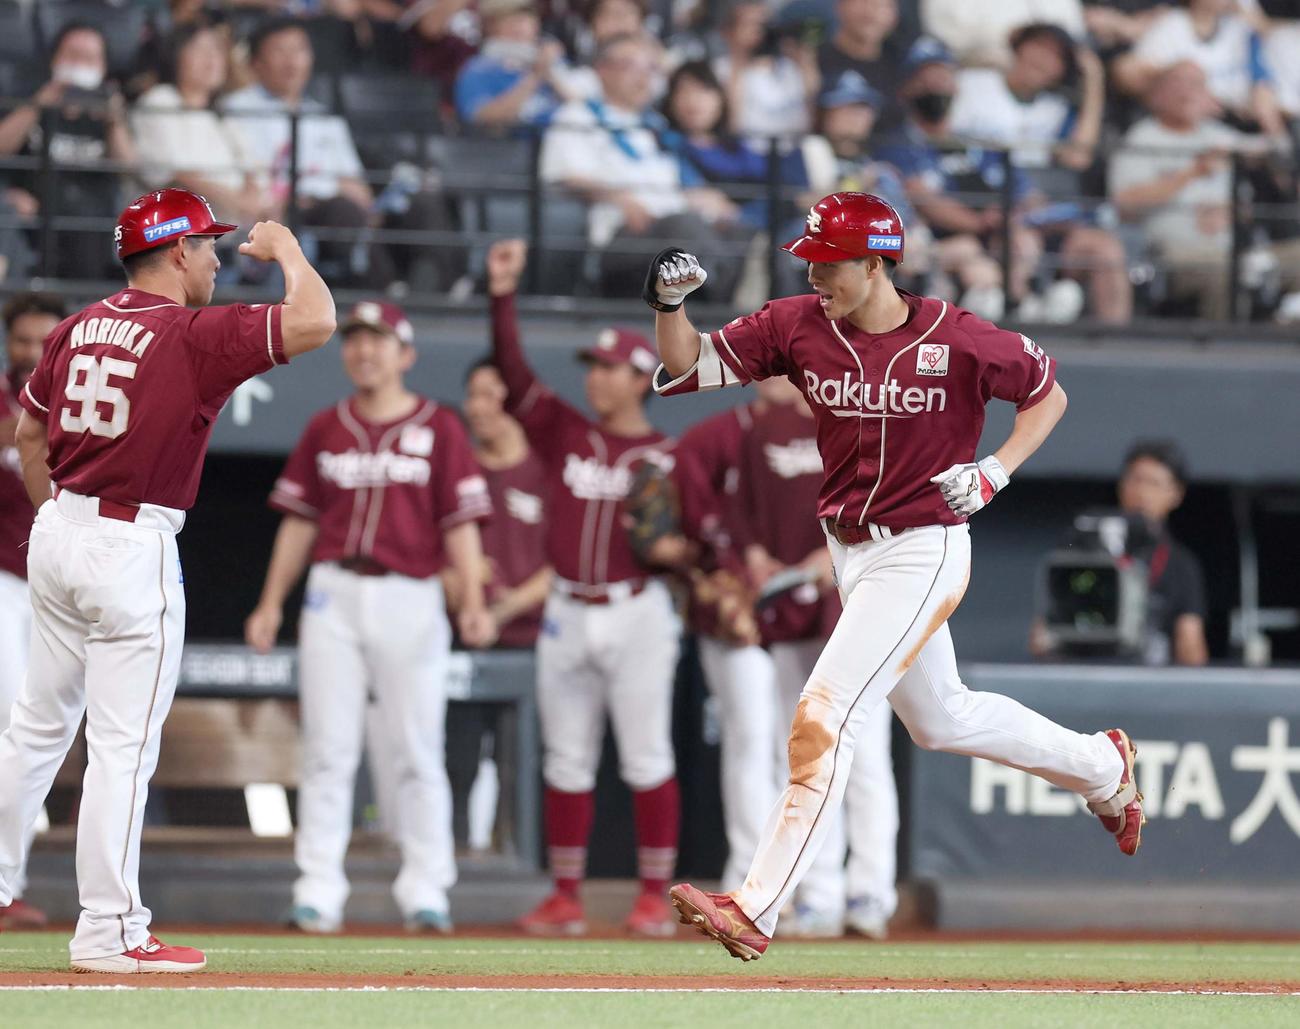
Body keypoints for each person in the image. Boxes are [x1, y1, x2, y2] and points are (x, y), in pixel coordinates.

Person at [647, 191, 1145, 961]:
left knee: (825, 713)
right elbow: (690, 363)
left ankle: (755, 905)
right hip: (851, 549)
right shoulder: (796, 323)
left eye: (829, 263)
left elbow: (1048, 392)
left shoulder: (957, 334)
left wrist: (997, 470)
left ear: (876, 263)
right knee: (943, 718)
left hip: (922, 546)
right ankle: (1102, 765)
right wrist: (668, 307)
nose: (815, 276)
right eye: (809, 261)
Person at [0, 188, 336, 972]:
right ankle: (109, 929)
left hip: (58, 530)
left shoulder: (76, 326)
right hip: (127, 541)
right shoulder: (190, 332)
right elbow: (316, 319)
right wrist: (287, 249)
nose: (216, 259)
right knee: (121, 746)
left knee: (35, 731)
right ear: (178, 252)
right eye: (208, 246)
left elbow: (28, 434)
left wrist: (62, 521)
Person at [244, 300, 495, 935]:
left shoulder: (440, 426)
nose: (364, 350)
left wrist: (471, 600)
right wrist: (271, 601)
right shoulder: (326, 426)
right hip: (334, 591)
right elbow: (299, 523)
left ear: (406, 354)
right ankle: (317, 891)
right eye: (354, 339)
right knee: (328, 749)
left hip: (411, 593)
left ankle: (427, 891)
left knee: (417, 748)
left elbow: (461, 525)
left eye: (377, 340)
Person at [486, 238, 683, 938]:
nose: (596, 378)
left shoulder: (667, 456)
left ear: (640, 378)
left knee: (646, 755)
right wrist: (502, 296)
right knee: (566, 757)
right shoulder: (566, 433)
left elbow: (692, 543)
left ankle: (654, 897)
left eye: (609, 368)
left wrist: (685, 553)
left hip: (637, 610)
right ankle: (565, 895)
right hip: (566, 606)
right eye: (592, 367)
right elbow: (513, 376)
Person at [735, 374, 899, 941]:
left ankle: (870, 892)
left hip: (858, 603)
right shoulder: (758, 431)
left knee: (866, 755)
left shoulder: (864, 416)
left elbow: (888, 507)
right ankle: (820, 894)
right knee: (806, 756)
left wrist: (827, 560)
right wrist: (756, 556)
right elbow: (743, 513)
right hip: (791, 609)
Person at [539, 32, 748, 300]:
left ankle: (732, 300)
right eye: (630, 66)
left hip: (673, 220)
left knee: (740, 230)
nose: (642, 77)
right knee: (685, 228)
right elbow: (564, 176)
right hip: (620, 233)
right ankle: (734, 302)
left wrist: (706, 199)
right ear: (602, 70)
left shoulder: (654, 125)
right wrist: (620, 198)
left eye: (649, 68)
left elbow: (679, 180)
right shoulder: (576, 116)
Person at [1109, 61, 1300, 320]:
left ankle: (1285, 333)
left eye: (1197, 84)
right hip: (1175, 256)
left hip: (1241, 250)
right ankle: (1225, 344)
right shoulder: (1142, 138)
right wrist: (1192, 173)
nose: (1187, 92)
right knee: (1226, 273)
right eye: (1178, 83)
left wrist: (1260, 116)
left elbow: (1276, 153)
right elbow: (1124, 205)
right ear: (1158, 94)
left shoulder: (1218, 135)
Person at [0, 292, 66, 932]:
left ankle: (7, 884)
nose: (31, 353)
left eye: (44, 342)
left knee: (37, 729)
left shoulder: (84, 400)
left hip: (57, 584)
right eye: (22, 340)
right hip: (3, 579)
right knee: (11, 722)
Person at [1030, 440, 1209, 665]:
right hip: (1081, 667)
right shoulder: (1082, 542)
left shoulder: (1181, 564)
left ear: (1176, 494)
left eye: (1154, 483)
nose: (1142, 492)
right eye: (1136, 480)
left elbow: (1190, 644)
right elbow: (1043, 634)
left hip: (1146, 672)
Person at [0, 22, 138, 280]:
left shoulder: (109, 114)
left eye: (89, 58)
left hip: (91, 223)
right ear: (54, 60)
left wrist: (115, 121)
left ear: (103, 68)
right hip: (34, 215)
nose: (79, 64)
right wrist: (40, 104)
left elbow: (128, 167)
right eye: (72, 55)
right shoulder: (31, 98)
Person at [132, 22, 278, 234]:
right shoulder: (160, 102)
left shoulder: (223, 116)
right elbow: (176, 174)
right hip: (177, 232)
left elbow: (253, 170)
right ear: (176, 56)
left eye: (217, 50)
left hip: (234, 231)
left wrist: (253, 197)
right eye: (199, 49)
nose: (211, 59)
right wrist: (237, 202)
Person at [1114, 0, 1288, 138]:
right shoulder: (1172, 25)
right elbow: (1130, 73)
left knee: (1265, 91)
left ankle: (1281, 149)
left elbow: (1273, 43)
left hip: (1243, 117)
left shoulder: (1239, 26)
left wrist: (1247, 10)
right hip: (1193, 123)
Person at [454, 0, 577, 131]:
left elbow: (583, 107)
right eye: (507, 19)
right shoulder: (478, 69)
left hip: (568, 134)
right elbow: (481, 119)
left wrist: (549, 72)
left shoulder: (554, 62)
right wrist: (535, 77)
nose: (518, 26)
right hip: (514, 141)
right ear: (490, 26)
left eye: (524, 18)